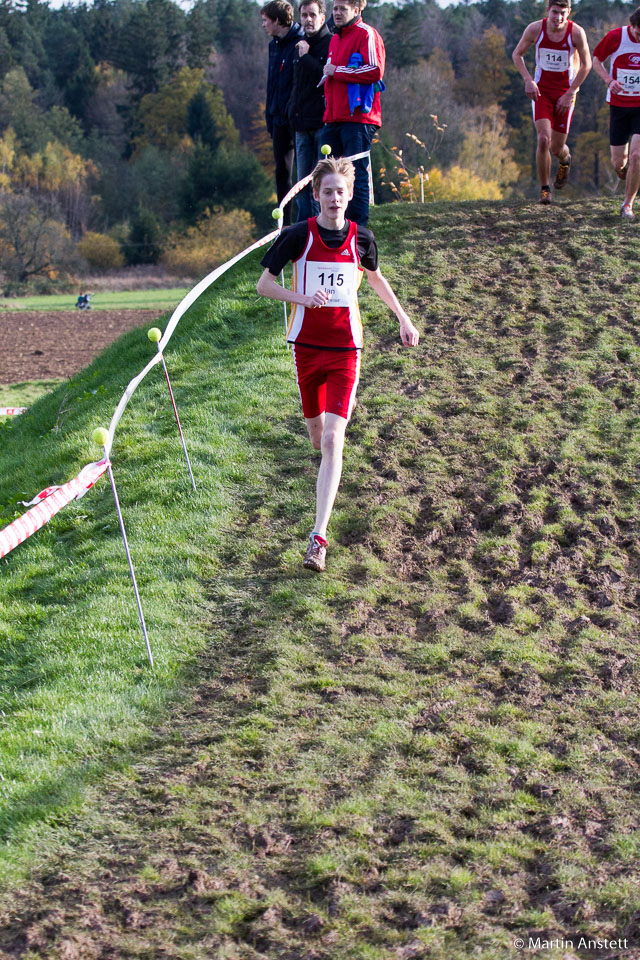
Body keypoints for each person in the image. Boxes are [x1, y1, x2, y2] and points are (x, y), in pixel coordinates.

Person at [257, 157, 419, 572]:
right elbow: (264, 285)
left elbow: (376, 277)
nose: (333, 199)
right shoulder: (297, 236)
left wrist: (403, 318)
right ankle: (325, 478)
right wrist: (302, 299)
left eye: (340, 192)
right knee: (316, 438)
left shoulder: (361, 238)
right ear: (316, 196)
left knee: (333, 439)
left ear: (350, 196)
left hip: (347, 349)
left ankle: (318, 538)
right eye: (326, 191)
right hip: (307, 348)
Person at [512, 0, 591, 205]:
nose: (558, 18)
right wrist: (528, 80)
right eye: (555, 12)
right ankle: (545, 190)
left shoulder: (576, 33)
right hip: (542, 92)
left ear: (569, 12)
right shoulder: (535, 29)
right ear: (547, 10)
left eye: (563, 13)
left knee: (557, 148)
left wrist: (571, 91)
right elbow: (517, 54)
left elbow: (587, 64)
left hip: (566, 93)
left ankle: (565, 160)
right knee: (543, 140)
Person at [320, 0, 385, 226]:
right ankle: (333, 227)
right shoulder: (335, 38)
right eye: (335, 9)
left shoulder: (366, 34)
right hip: (333, 117)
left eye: (342, 9)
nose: (336, 13)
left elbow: (375, 70)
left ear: (357, 10)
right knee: (328, 174)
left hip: (358, 118)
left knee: (354, 174)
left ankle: (358, 230)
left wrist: (337, 71)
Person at [593, 7, 640, 220]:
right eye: (639, 34)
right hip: (619, 106)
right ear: (633, 26)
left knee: (637, 156)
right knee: (618, 162)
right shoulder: (616, 37)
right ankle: (625, 173)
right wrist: (609, 80)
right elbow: (596, 60)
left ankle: (627, 205)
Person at [288, 0, 332, 222]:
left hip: (322, 124)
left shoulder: (331, 43)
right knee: (302, 183)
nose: (308, 19)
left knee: (321, 181)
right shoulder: (300, 44)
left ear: (322, 17)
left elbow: (324, 79)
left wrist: (306, 58)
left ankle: (319, 228)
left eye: (312, 15)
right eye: (304, 15)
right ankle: (303, 230)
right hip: (300, 124)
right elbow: (296, 84)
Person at [261, 0, 304, 226]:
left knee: (305, 171)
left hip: (298, 119)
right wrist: (269, 113)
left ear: (277, 20)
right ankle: (285, 226)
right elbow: (272, 83)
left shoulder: (301, 42)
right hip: (277, 119)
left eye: (266, 21)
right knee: (282, 173)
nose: (263, 25)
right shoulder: (273, 46)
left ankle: (308, 220)